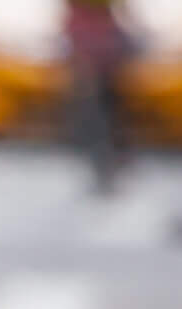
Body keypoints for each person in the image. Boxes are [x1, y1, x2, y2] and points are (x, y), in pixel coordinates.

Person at [67, 0, 132, 190]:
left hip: (101, 75)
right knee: (99, 121)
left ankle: (109, 167)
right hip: (97, 74)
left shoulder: (88, 18)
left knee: (102, 120)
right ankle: (106, 167)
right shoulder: (84, 18)